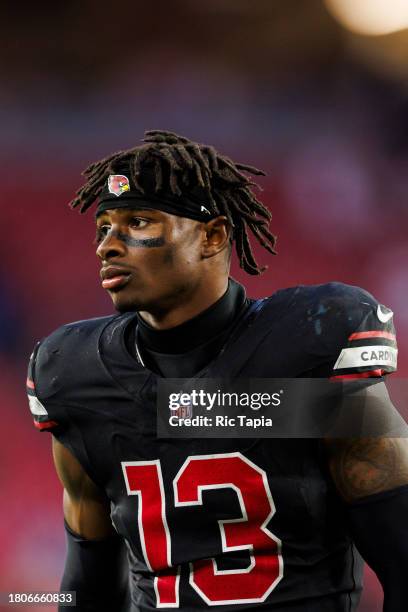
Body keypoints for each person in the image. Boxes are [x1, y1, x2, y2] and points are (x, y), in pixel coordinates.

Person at [27, 130, 408, 611]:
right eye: (103, 228)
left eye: (137, 221)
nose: (108, 246)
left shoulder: (310, 340)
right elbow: (89, 588)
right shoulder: (75, 374)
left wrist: (205, 410)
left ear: (212, 235)